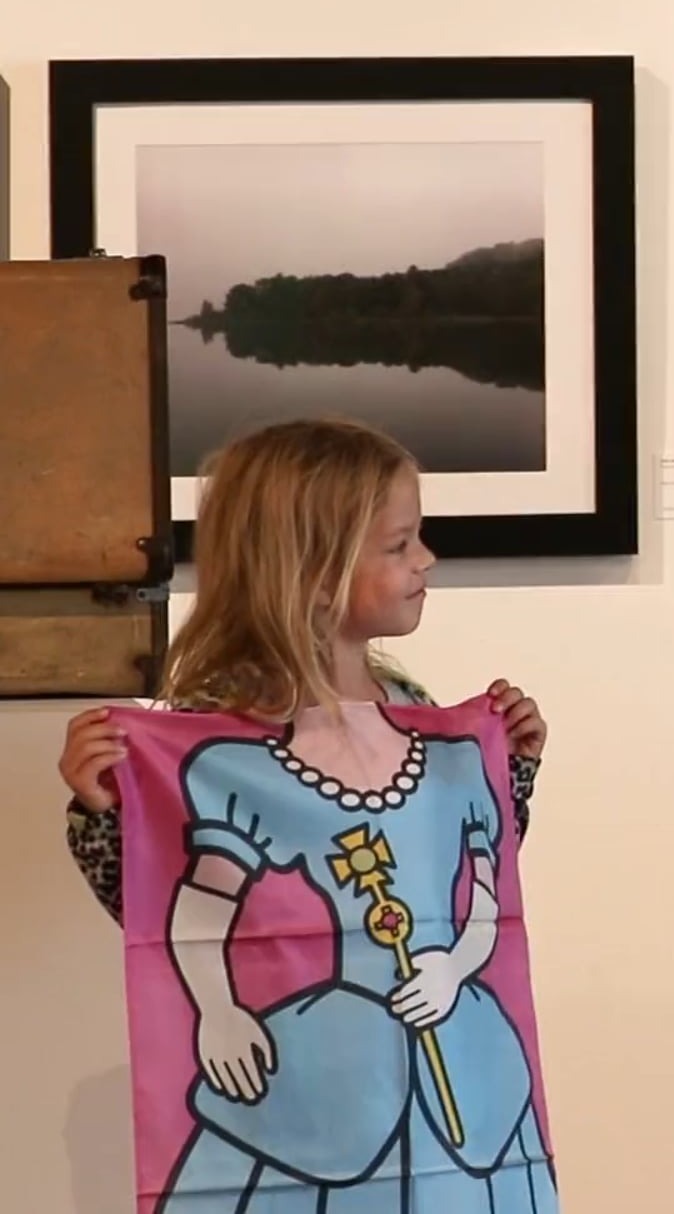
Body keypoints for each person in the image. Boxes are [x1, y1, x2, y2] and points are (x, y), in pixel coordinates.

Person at [52, 417, 558, 1211]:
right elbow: (173, 908)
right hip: (317, 1076)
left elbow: (465, 882)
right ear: (317, 575)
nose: (426, 559)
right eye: (399, 545)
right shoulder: (215, 735)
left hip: (451, 1055)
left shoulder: (414, 707)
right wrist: (104, 813)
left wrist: (510, 769)